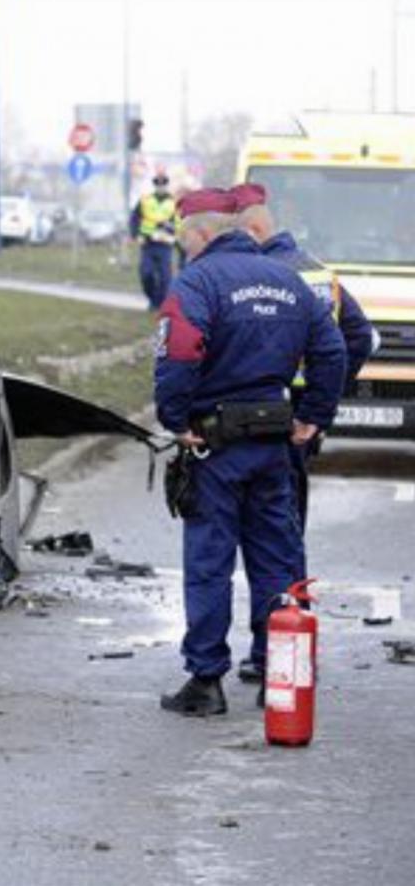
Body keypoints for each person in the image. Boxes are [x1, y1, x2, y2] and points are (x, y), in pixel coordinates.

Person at [154, 188, 346, 716]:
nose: (183, 249)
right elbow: (333, 349)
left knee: (210, 562)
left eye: (184, 239)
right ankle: (278, 672)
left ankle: (206, 681)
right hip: (274, 443)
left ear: (200, 234)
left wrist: (175, 420)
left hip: (215, 446)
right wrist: (314, 416)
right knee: (277, 559)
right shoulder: (288, 279)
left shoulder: (197, 282)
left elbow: (178, 354)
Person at [228, 181, 375, 684]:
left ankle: (267, 647)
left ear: (253, 228)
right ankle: (289, 644)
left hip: (264, 416)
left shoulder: (261, 276)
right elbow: (362, 338)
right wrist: (320, 403)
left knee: (263, 539)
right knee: (288, 537)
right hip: (302, 424)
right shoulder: (320, 274)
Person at [130, 173, 177, 309]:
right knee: (146, 274)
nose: (160, 187)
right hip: (148, 243)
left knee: (165, 277)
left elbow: (179, 222)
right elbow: (134, 219)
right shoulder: (145, 200)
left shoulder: (174, 202)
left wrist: (173, 233)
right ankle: (152, 297)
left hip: (165, 244)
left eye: (163, 184)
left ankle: (159, 303)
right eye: (158, 184)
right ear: (155, 185)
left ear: (166, 185)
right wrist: (136, 235)